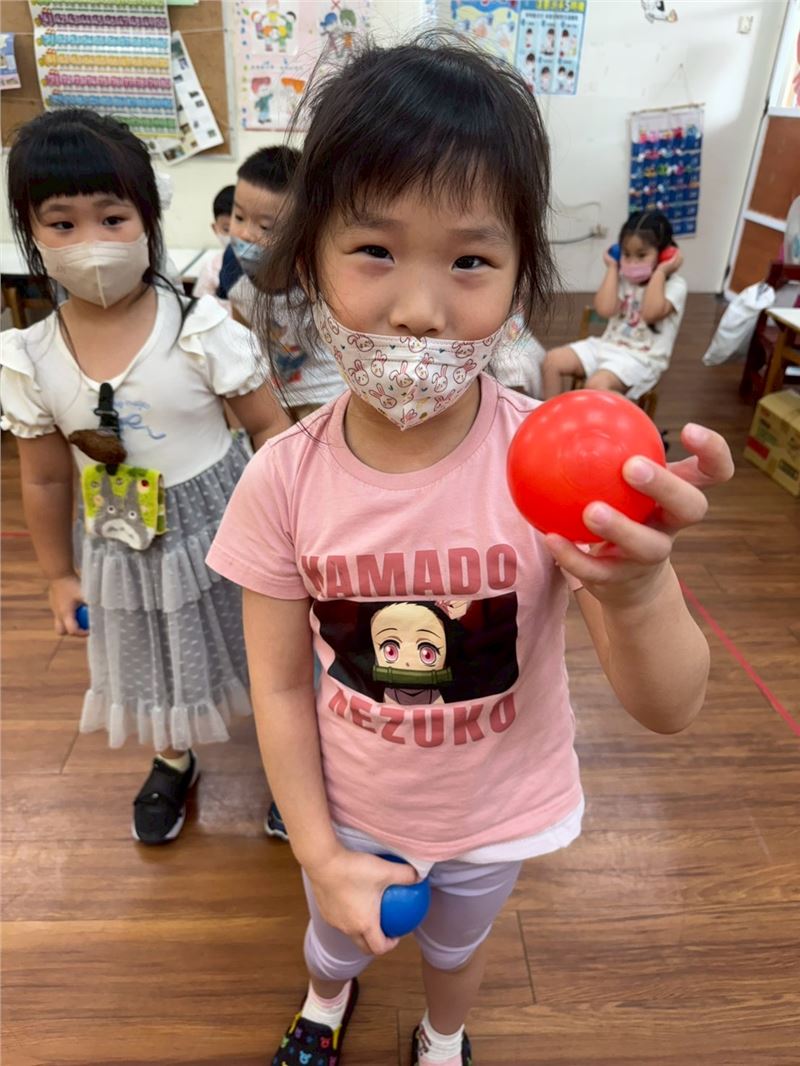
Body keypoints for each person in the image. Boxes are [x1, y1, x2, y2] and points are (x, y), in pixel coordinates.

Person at [206, 36, 733, 1066]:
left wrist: (637, 588)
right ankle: (324, 1004)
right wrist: (317, 848)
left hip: (498, 810)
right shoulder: (283, 479)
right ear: (307, 261)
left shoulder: (553, 466)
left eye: (470, 261)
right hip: (349, 808)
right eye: (374, 249)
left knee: (457, 947)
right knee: (332, 939)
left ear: (522, 281)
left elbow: (670, 708)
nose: (418, 309)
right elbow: (276, 685)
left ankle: (442, 1036)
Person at [1, 110, 289, 845]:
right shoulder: (28, 357)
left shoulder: (201, 326)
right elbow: (44, 480)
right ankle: (173, 755)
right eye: (61, 224)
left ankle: (293, 765)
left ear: (148, 219)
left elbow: (269, 429)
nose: (91, 243)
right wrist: (57, 575)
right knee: (157, 656)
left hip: (226, 523)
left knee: (264, 650)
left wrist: (289, 528)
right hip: (119, 539)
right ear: (29, 230)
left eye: (112, 218)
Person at [223, 146, 344, 420]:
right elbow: (242, 344)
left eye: (265, 227)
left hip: (325, 395)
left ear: (301, 232)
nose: (245, 234)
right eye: (239, 217)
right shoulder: (238, 285)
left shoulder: (319, 283)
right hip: (275, 395)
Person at [542, 210, 687, 400]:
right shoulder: (622, 278)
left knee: (595, 385)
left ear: (663, 255)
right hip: (607, 345)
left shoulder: (676, 286)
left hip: (641, 358)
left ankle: (630, 417)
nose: (632, 262)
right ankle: (553, 417)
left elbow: (650, 313)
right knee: (551, 361)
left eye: (641, 255)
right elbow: (605, 309)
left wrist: (661, 271)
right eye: (626, 254)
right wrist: (612, 267)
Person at [192, 184, 235, 300]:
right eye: (226, 229)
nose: (233, 236)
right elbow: (199, 306)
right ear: (215, 228)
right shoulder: (210, 269)